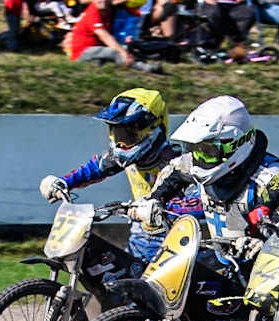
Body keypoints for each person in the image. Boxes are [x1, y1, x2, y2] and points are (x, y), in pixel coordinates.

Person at [39, 89, 198, 265]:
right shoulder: (123, 157)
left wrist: (162, 206)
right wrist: (64, 182)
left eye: (129, 135)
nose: (122, 142)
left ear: (154, 129)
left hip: (174, 242)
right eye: (117, 133)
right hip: (140, 236)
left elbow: (200, 202)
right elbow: (96, 169)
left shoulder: (176, 163)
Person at [129, 95, 279, 248]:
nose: (198, 157)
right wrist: (154, 200)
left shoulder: (268, 177)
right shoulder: (192, 163)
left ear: (236, 143)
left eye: (207, 150)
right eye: (195, 148)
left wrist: (268, 246)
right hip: (223, 259)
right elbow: (174, 172)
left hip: (265, 272)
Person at [68, 0, 158, 71]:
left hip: (95, 50)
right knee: (115, 52)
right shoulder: (92, 13)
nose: (104, 0)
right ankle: (144, 68)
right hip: (83, 52)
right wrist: (122, 52)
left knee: (123, 49)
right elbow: (104, 36)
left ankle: (140, 62)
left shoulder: (106, 12)